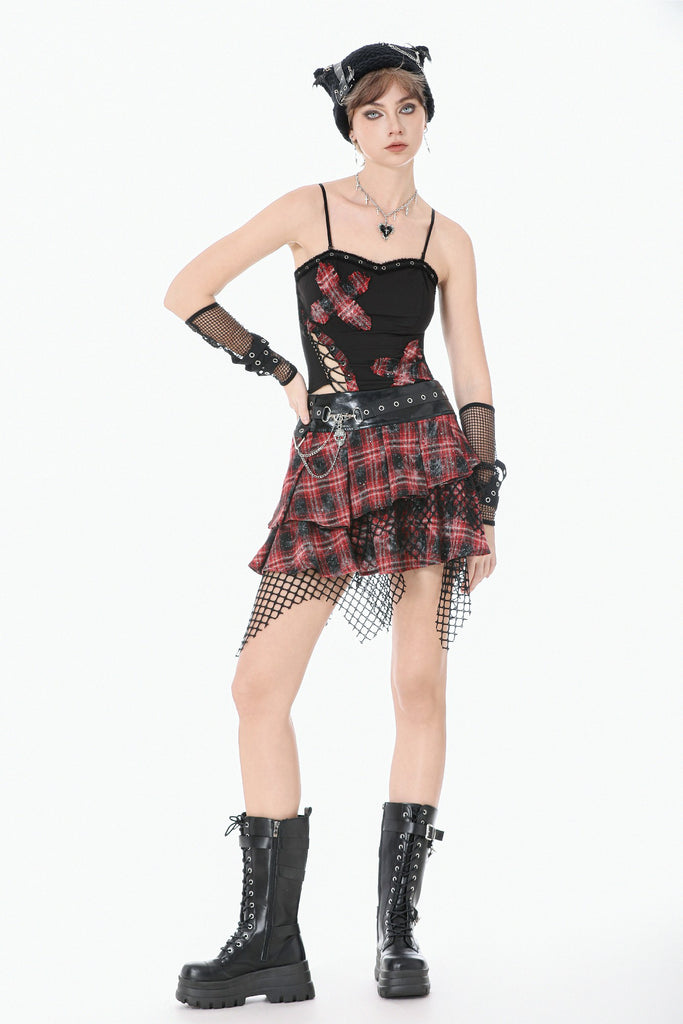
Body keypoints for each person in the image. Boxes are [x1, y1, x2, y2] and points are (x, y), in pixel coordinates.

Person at [164, 41, 507, 1009]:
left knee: (417, 684)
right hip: (331, 459)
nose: (393, 124)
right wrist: (279, 371)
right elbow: (186, 291)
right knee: (257, 685)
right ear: (348, 125)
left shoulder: (447, 237)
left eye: (408, 106)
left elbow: (472, 374)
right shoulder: (303, 209)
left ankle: (397, 935)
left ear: (427, 116)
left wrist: (483, 505)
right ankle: (270, 941)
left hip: (426, 458)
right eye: (372, 110)